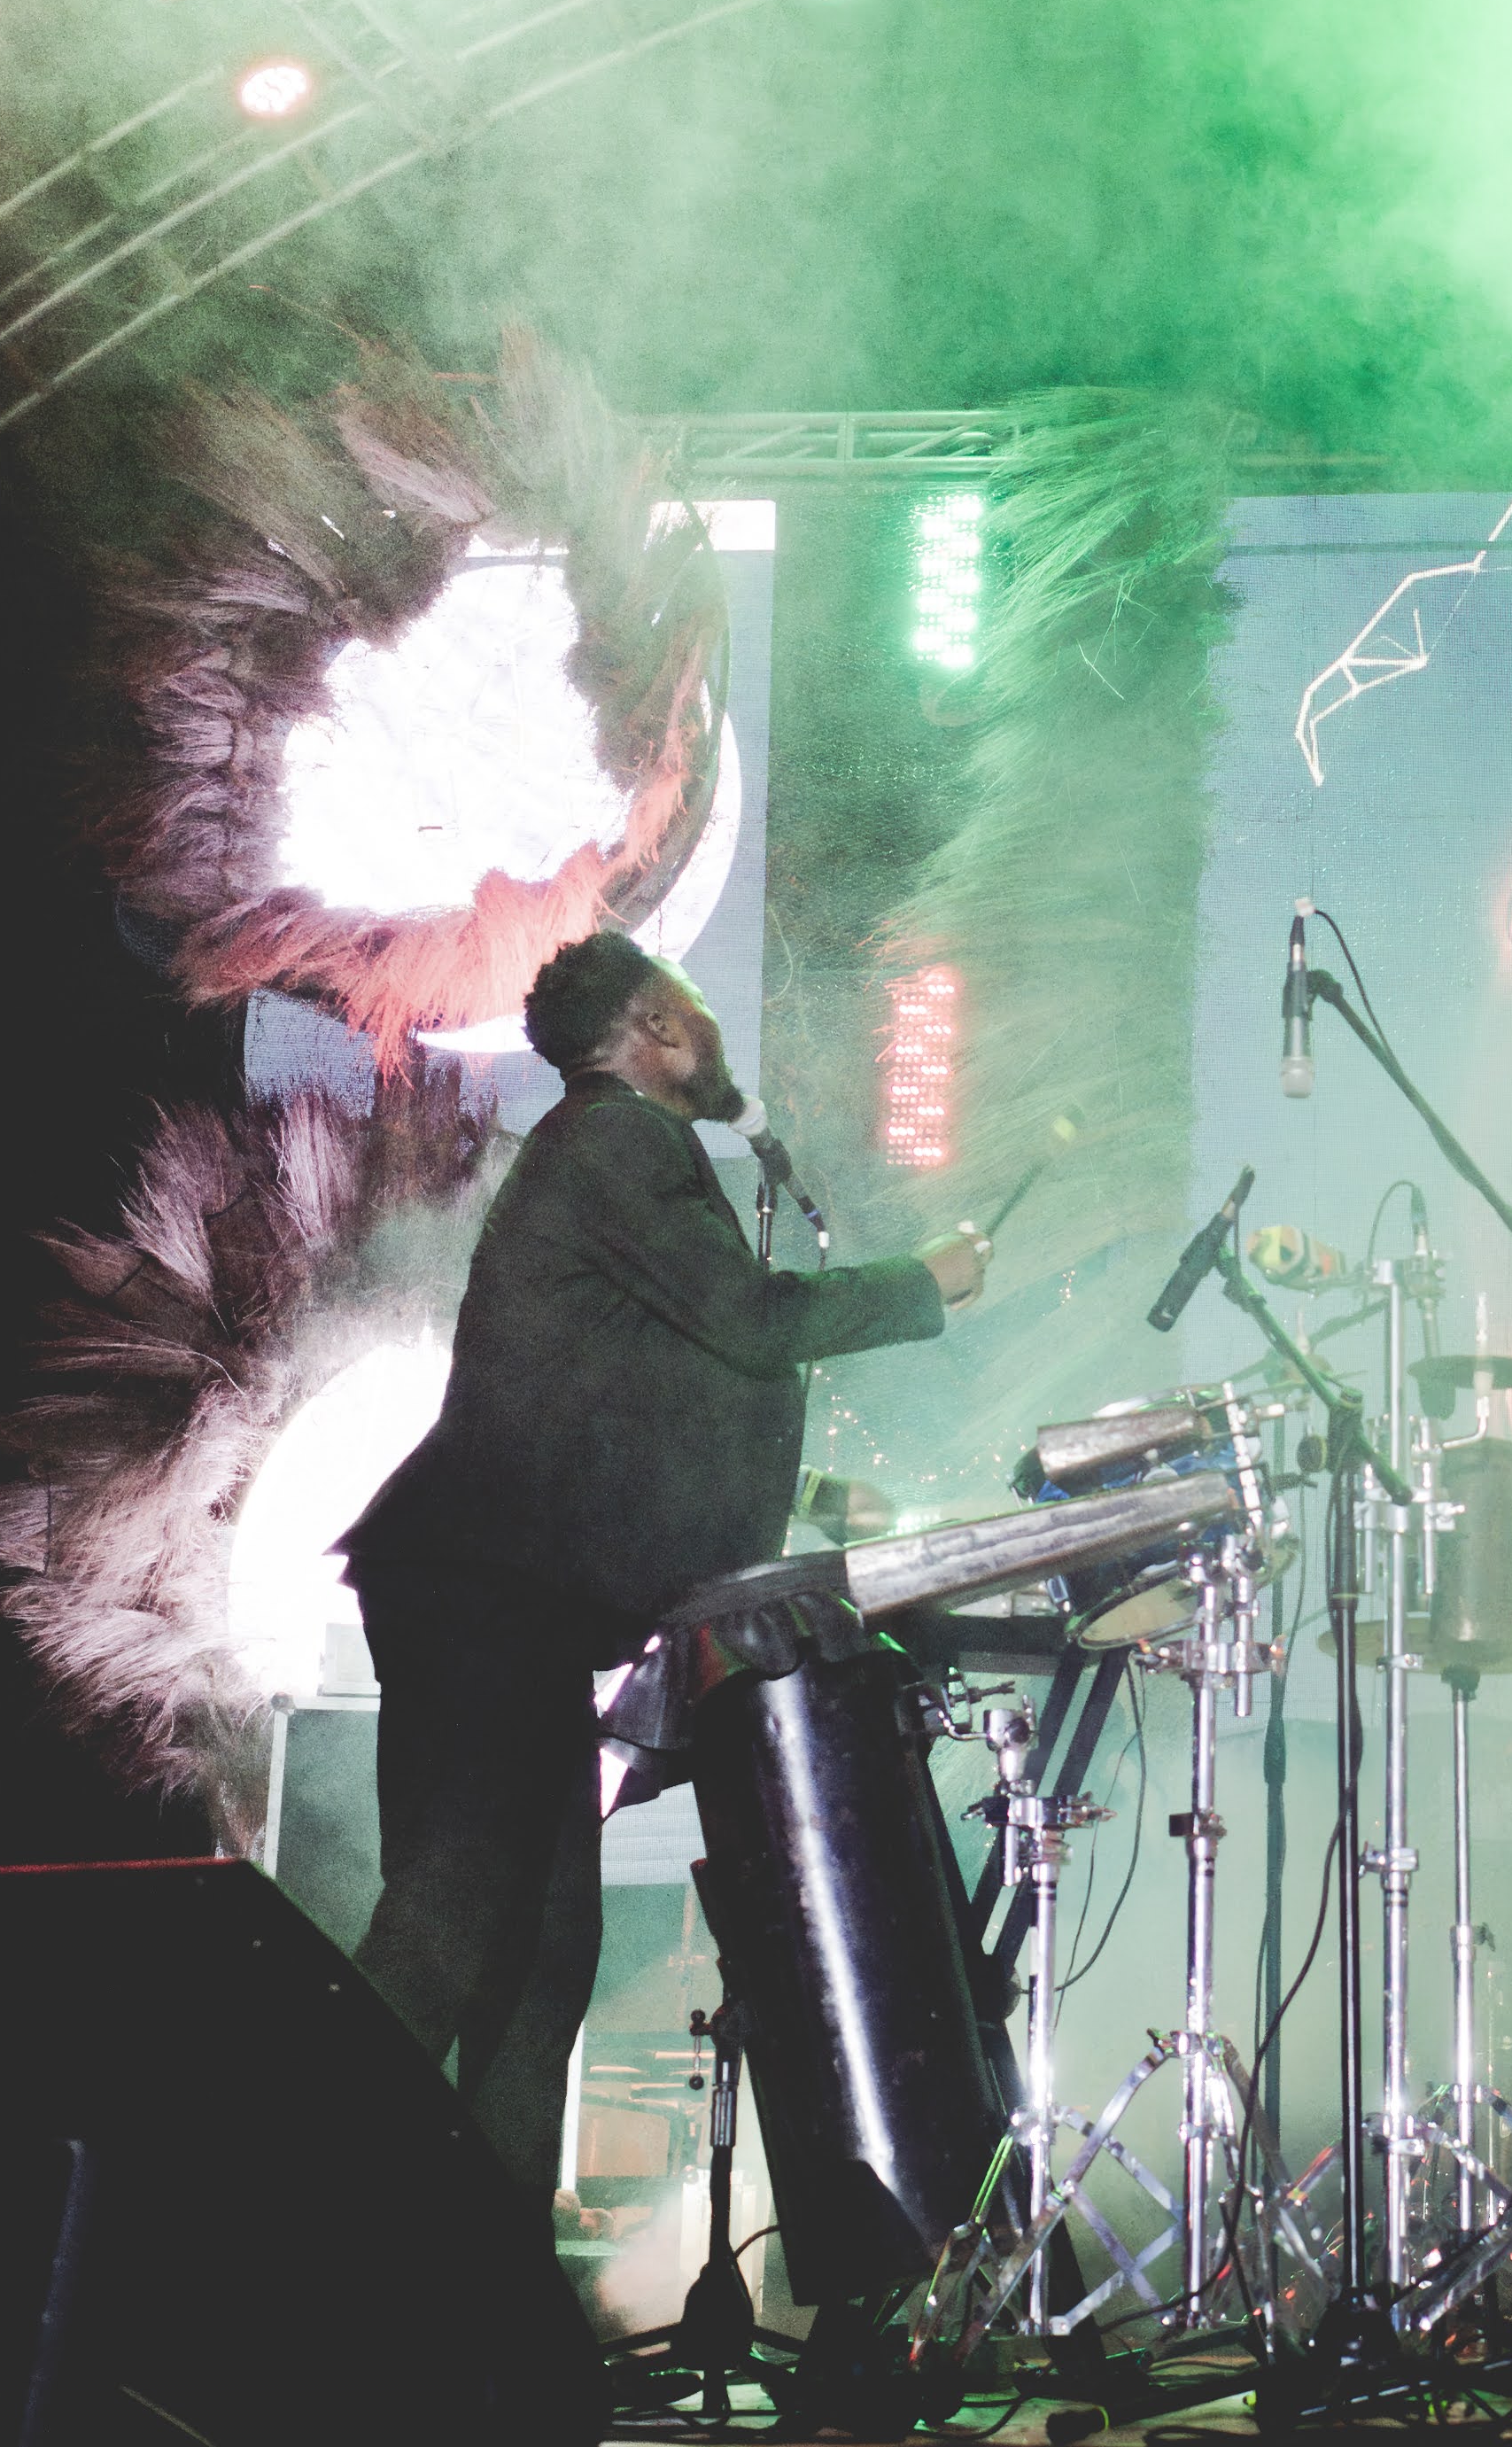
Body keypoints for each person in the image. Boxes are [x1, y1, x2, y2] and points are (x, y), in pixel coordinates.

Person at [337, 930, 992, 2215]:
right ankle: (266, 2240)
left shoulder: (597, 1152)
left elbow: (630, 1391)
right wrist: (926, 1284)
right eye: (694, 1005)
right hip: (479, 1603)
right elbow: (749, 1322)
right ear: (656, 1027)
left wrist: (808, 1496)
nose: (711, 1028)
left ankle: (485, 2285)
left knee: (540, 1961)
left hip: (502, 1606)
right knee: (449, 1936)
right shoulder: (619, 1141)